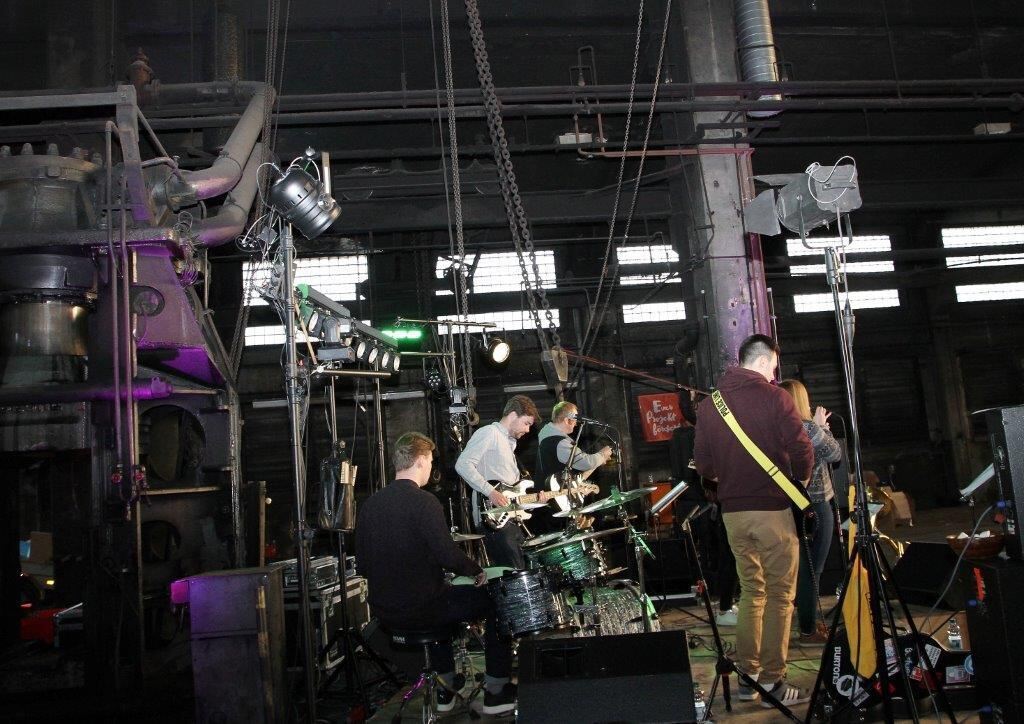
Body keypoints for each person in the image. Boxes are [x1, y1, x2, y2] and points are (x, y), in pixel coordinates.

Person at [355, 432, 516, 715]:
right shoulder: (425, 502)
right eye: (430, 461)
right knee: (498, 601)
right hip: (423, 609)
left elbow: (363, 566)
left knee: (441, 596)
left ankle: (446, 690)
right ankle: (496, 692)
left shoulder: (370, 505)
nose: (431, 467)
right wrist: (476, 570)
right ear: (420, 460)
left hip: (386, 613)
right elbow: (447, 555)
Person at [693, 334, 814, 708]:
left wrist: (732, 479)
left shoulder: (710, 405)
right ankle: (773, 682)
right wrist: (800, 479)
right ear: (763, 361)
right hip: (771, 511)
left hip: (733, 514)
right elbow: (801, 449)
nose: (775, 373)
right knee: (780, 596)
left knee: (751, 592)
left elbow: (704, 465)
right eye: (774, 366)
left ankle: (748, 678)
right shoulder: (776, 397)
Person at [779, 379, 842, 644]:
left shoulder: (777, 428)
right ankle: (807, 629)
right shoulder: (806, 427)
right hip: (815, 504)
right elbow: (836, 454)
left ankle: (803, 621)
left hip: (789, 505)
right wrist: (821, 427)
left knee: (800, 567)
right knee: (813, 568)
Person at [455, 394, 539, 568]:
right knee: (514, 572)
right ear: (513, 415)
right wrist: (490, 492)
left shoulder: (508, 443)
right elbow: (463, 464)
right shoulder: (489, 433)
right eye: (526, 423)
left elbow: (512, 489)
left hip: (509, 518)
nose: (528, 430)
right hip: (494, 518)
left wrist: (536, 499)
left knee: (523, 569)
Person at [531, 401, 611, 534]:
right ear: (567, 420)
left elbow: (571, 476)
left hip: (554, 505)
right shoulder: (559, 442)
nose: (576, 423)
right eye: (575, 420)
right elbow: (586, 462)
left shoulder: (548, 437)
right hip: (556, 507)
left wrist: (598, 462)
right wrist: (602, 455)